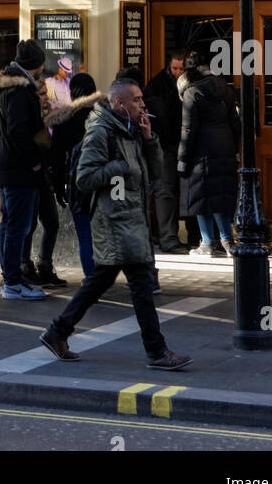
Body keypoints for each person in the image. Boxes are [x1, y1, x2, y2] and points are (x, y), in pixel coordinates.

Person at [39, 75, 191, 369]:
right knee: (142, 286)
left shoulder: (131, 128)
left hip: (131, 218)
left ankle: (57, 332)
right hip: (115, 221)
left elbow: (154, 172)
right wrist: (116, 167)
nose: (142, 104)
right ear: (119, 103)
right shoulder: (100, 131)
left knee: (99, 281)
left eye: (141, 99)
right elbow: (84, 178)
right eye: (136, 100)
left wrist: (149, 140)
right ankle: (157, 351)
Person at [0, 39, 49, 300]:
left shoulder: (8, 84)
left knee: (10, 224)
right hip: (19, 169)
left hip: (7, 165)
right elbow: (18, 130)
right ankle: (12, 282)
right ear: (35, 65)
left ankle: (9, 277)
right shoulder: (19, 89)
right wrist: (34, 160)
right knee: (18, 226)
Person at [177, 62, 241, 257]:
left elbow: (188, 130)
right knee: (220, 196)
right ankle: (227, 241)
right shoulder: (225, 90)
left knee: (200, 198)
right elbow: (235, 123)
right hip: (225, 148)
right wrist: (235, 149)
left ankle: (207, 243)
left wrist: (182, 159)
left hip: (200, 153)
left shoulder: (191, 94)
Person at [49, 72, 105, 277]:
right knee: (103, 233)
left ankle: (92, 278)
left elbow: (56, 158)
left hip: (78, 184)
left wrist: (58, 187)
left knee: (84, 234)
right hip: (103, 182)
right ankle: (103, 275)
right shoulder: (103, 116)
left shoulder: (64, 120)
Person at [144, 50, 189, 253]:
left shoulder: (185, 85)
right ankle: (168, 238)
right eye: (175, 68)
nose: (178, 72)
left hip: (176, 143)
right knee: (166, 191)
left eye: (181, 68)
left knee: (178, 191)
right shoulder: (158, 86)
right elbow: (158, 117)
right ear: (168, 67)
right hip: (165, 144)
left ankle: (181, 236)